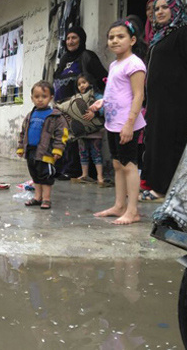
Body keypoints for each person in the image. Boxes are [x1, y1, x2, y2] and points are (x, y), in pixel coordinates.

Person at [141, 0, 187, 202]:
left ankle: (164, 188)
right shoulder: (159, 36)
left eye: (164, 7)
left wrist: (184, 85)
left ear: (175, 9)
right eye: (157, 8)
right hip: (159, 103)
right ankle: (156, 184)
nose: (159, 12)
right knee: (158, 140)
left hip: (179, 102)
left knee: (171, 142)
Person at [89, 19, 146, 225]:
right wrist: (101, 102)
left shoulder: (135, 63)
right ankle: (119, 205)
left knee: (130, 165)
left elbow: (138, 95)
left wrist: (130, 124)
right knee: (117, 164)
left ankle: (133, 211)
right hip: (112, 122)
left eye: (120, 36)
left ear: (132, 40)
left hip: (126, 124)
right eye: (111, 37)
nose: (114, 41)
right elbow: (116, 92)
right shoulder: (114, 64)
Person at [52, 26, 108, 180]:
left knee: (79, 140)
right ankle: (63, 169)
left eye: (74, 38)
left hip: (80, 110)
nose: (70, 41)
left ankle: (77, 171)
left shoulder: (87, 56)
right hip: (63, 109)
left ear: (81, 39)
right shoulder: (64, 59)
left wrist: (98, 103)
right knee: (63, 138)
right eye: (68, 38)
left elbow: (104, 79)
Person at [17, 80, 69, 210]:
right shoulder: (30, 115)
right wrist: (20, 147)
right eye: (37, 97)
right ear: (32, 98)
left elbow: (62, 134)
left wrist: (58, 149)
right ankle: (37, 197)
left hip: (46, 152)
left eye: (44, 97)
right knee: (35, 175)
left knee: (46, 176)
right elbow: (23, 132)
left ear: (51, 97)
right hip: (31, 151)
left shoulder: (56, 116)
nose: (40, 100)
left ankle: (46, 199)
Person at [71, 73, 105, 185]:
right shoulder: (76, 98)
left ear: (90, 83)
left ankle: (100, 176)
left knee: (96, 153)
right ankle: (84, 174)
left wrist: (94, 113)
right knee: (83, 153)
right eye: (79, 84)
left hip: (95, 132)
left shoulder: (97, 96)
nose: (81, 86)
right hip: (82, 133)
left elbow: (104, 108)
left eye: (84, 83)